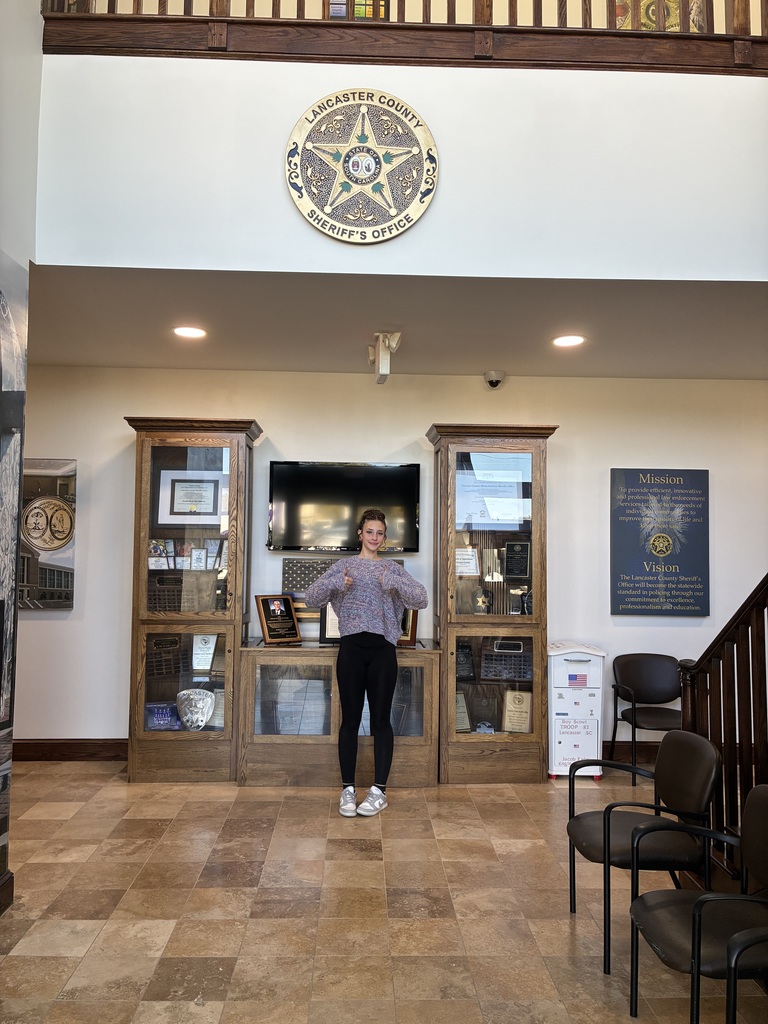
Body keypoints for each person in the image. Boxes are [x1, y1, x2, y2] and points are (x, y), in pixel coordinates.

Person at [305, 508, 427, 817]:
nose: (374, 537)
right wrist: (337, 584)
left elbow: (421, 598)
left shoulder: (392, 568)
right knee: (349, 719)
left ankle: (379, 792)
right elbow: (312, 597)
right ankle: (347, 790)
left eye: (380, 533)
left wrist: (394, 583)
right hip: (351, 649)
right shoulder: (343, 566)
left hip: (383, 650)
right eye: (369, 531)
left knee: (380, 721)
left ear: (384, 538)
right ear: (360, 534)